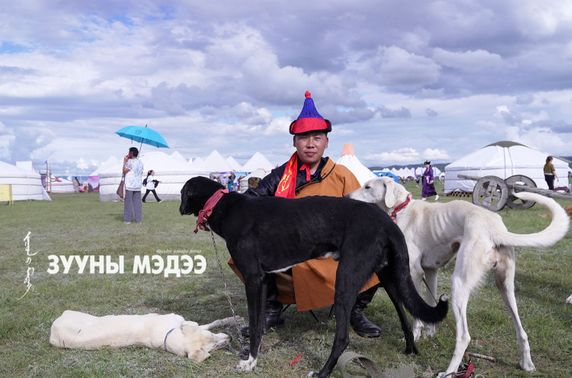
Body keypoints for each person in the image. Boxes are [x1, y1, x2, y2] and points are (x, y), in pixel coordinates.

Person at [234, 91, 381, 338]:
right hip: (293, 255)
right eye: (303, 138)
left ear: (326, 142)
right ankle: (271, 309)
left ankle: (355, 311)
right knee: (246, 251)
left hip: (336, 253)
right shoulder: (280, 175)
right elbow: (253, 198)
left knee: (378, 253)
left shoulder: (342, 174)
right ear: (294, 142)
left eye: (317, 137)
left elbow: (362, 212)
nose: (310, 144)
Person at [122, 147, 144, 223]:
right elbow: (141, 172)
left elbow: (124, 171)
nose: (128, 153)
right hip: (138, 185)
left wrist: (124, 161)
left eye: (129, 152)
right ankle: (139, 220)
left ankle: (127, 220)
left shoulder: (130, 162)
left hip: (130, 185)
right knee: (137, 204)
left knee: (128, 203)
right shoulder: (140, 162)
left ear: (131, 153)